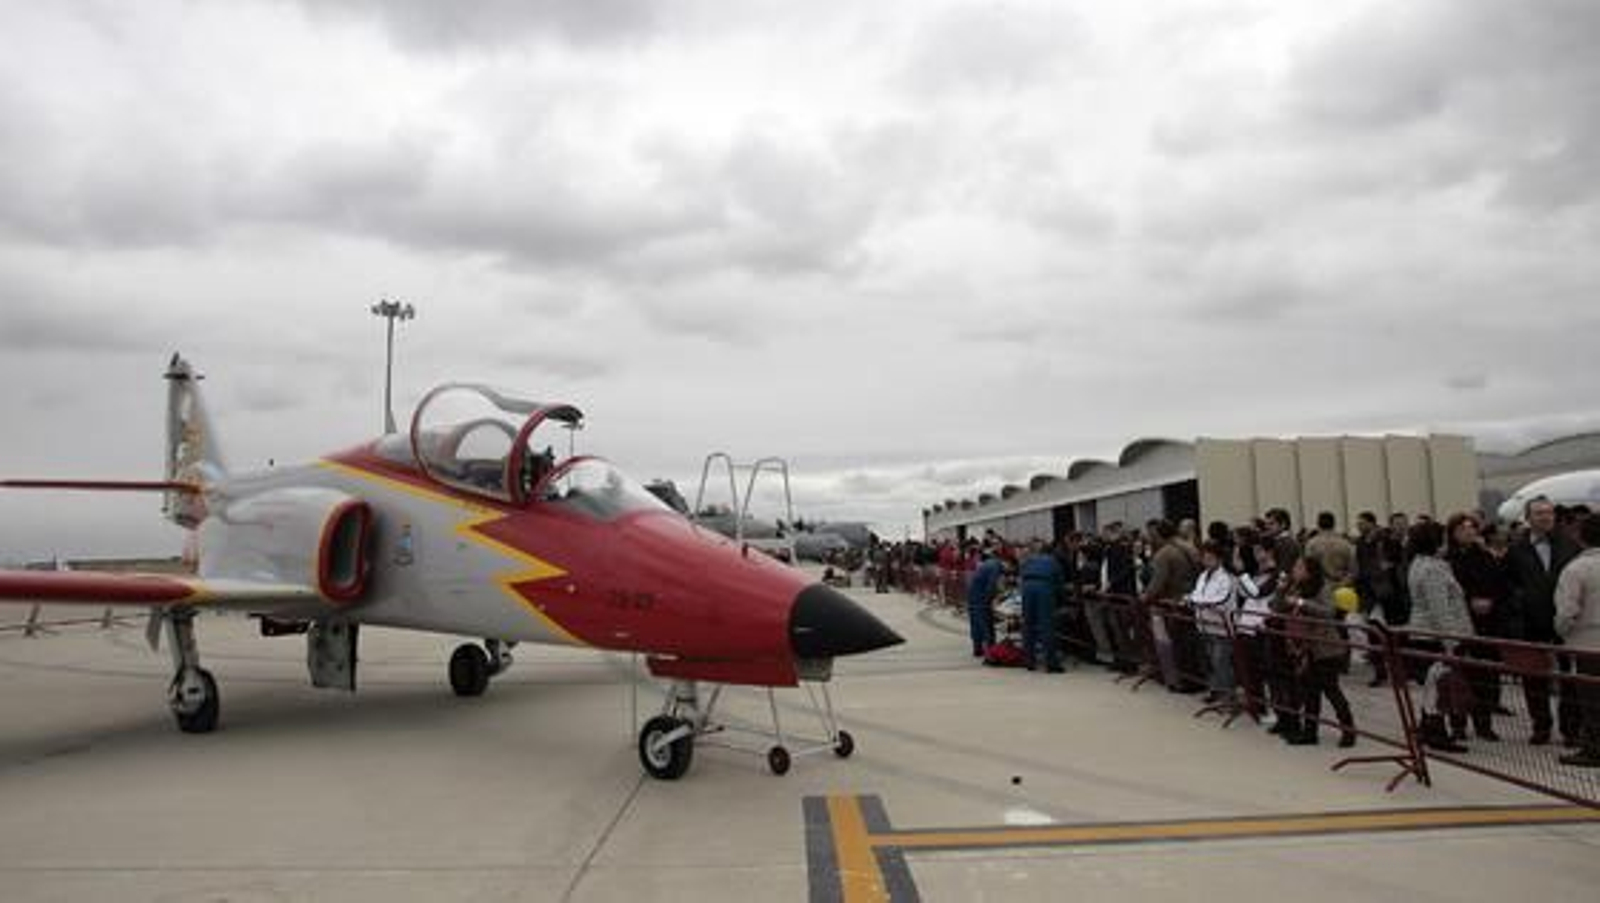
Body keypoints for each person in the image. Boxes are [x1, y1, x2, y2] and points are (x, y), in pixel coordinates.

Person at [1506, 496, 1582, 746]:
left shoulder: (1570, 545)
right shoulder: (1516, 549)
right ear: (1528, 518)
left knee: (1569, 679)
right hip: (1530, 624)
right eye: (1539, 513)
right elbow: (1507, 583)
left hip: (1565, 623)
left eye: (1549, 512)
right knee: (1534, 678)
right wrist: (1520, 602)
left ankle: (1571, 729)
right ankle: (1541, 725)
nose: (1546, 517)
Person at [1406, 520, 1474, 752]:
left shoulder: (1420, 563)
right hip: (1435, 636)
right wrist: (1450, 643)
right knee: (1438, 687)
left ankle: (1427, 729)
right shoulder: (1433, 569)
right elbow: (1440, 609)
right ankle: (1437, 734)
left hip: (1425, 633)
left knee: (1432, 686)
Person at [1274, 556, 1357, 747]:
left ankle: (1349, 730)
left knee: (1331, 690)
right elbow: (1277, 608)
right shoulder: (1294, 587)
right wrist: (1280, 590)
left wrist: (1301, 603)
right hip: (1303, 649)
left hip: (1325, 648)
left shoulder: (1322, 588)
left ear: (1309, 571)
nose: (1294, 570)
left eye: (1298, 567)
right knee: (1310, 692)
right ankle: (1310, 732)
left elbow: (1328, 612)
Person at [1446, 513, 1513, 741]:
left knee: (1485, 677)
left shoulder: (1485, 556)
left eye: (1472, 527)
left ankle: (1484, 724)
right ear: (1453, 532)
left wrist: (1490, 601)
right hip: (1458, 624)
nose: (1468, 531)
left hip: (1485, 624)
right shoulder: (1446, 559)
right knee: (1457, 676)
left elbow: (1501, 585)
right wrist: (1469, 601)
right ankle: (1458, 724)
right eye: (1462, 528)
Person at [1553, 515, 1600, 767]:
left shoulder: (1576, 569)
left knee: (1592, 701)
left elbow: (1566, 611)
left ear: (1580, 537)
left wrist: (1563, 633)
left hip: (1588, 644)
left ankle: (1594, 749)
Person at [1186, 541, 1238, 703]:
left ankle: (1228, 693)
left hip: (1221, 626)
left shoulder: (1227, 577)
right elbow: (1196, 593)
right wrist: (1193, 600)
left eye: (1210, 557)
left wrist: (1198, 601)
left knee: (1221, 660)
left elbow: (1221, 600)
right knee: (1208, 660)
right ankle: (1214, 689)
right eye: (1204, 557)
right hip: (1203, 623)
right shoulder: (1203, 575)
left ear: (1219, 558)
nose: (1206, 560)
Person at [1018, 539, 1065, 672]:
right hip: (1043, 588)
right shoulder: (1053, 561)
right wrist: (1061, 600)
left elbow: (1021, 576)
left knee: (1028, 625)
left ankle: (1029, 661)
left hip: (1027, 588)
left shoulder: (1029, 560)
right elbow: (1059, 583)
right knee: (1046, 625)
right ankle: (1051, 663)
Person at [966, 547, 1003, 657]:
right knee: (986, 624)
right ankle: (991, 651)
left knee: (975, 623)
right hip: (980, 598)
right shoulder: (996, 566)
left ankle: (977, 648)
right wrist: (991, 599)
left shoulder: (986, 564)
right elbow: (991, 585)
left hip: (973, 596)